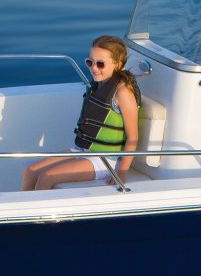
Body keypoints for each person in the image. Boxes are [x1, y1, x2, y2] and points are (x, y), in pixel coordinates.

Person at [22, 35, 142, 191]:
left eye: (100, 64)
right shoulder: (99, 86)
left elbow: (133, 137)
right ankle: (23, 206)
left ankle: (39, 207)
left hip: (105, 160)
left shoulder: (122, 93)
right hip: (82, 150)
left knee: (47, 176)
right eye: (90, 62)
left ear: (117, 64)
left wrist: (122, 172)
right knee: (31, 171)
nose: (94, 68)